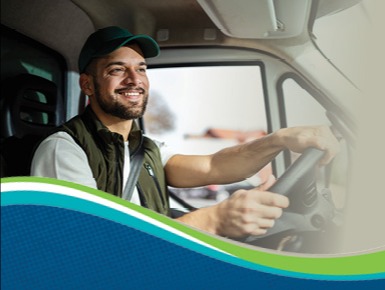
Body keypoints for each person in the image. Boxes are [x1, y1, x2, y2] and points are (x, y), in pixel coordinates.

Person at [31, 26, 340, 239]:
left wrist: (280, 140)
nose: (134, 79)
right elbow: (92, 246)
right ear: (87, 85)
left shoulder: (144, 148)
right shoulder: (64, 150)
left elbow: (214, 165)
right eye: (116, 69)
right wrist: (215, 219)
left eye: (141, 68)